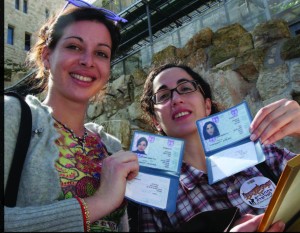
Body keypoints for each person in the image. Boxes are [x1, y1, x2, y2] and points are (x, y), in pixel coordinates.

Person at [4, 4, 139, 232]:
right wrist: (97, 203)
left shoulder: (111, 146)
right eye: (74, 47)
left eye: (101, 53)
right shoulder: (12, 116)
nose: (88, 61)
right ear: (47, 56)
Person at [138, 62, 300, 232]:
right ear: (156, 122)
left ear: (207, 106)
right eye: (163, 96)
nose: (177, 99)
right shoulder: (155, 200)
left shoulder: (263, 153)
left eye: (185, 88)